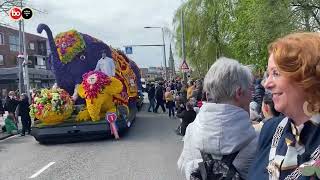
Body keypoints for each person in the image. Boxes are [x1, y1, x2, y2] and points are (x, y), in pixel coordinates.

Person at [248, 32, 320, 180]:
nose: (267, 83)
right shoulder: (270, 129)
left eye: (276, 73)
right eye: (268, 74)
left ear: (305, 77)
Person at [177, 57, 257, 180]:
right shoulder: (257, 139)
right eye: (250, 90)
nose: (252, 95)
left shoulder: (191, 131)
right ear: (239, 92)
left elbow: (185, 168)